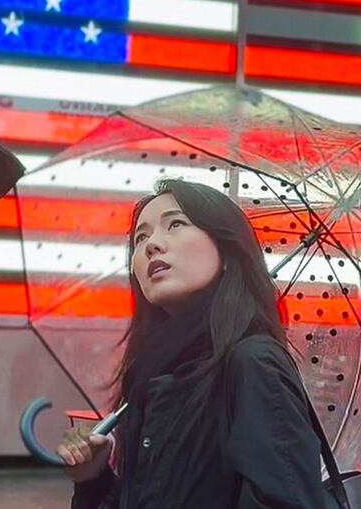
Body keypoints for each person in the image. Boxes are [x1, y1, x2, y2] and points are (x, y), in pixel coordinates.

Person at [56, 179, 327, 508]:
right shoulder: (150, 376)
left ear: (226, 252)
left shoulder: (253, 365)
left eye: (176, 224)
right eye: (141, 237)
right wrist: (93, 479)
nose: (152, 245)